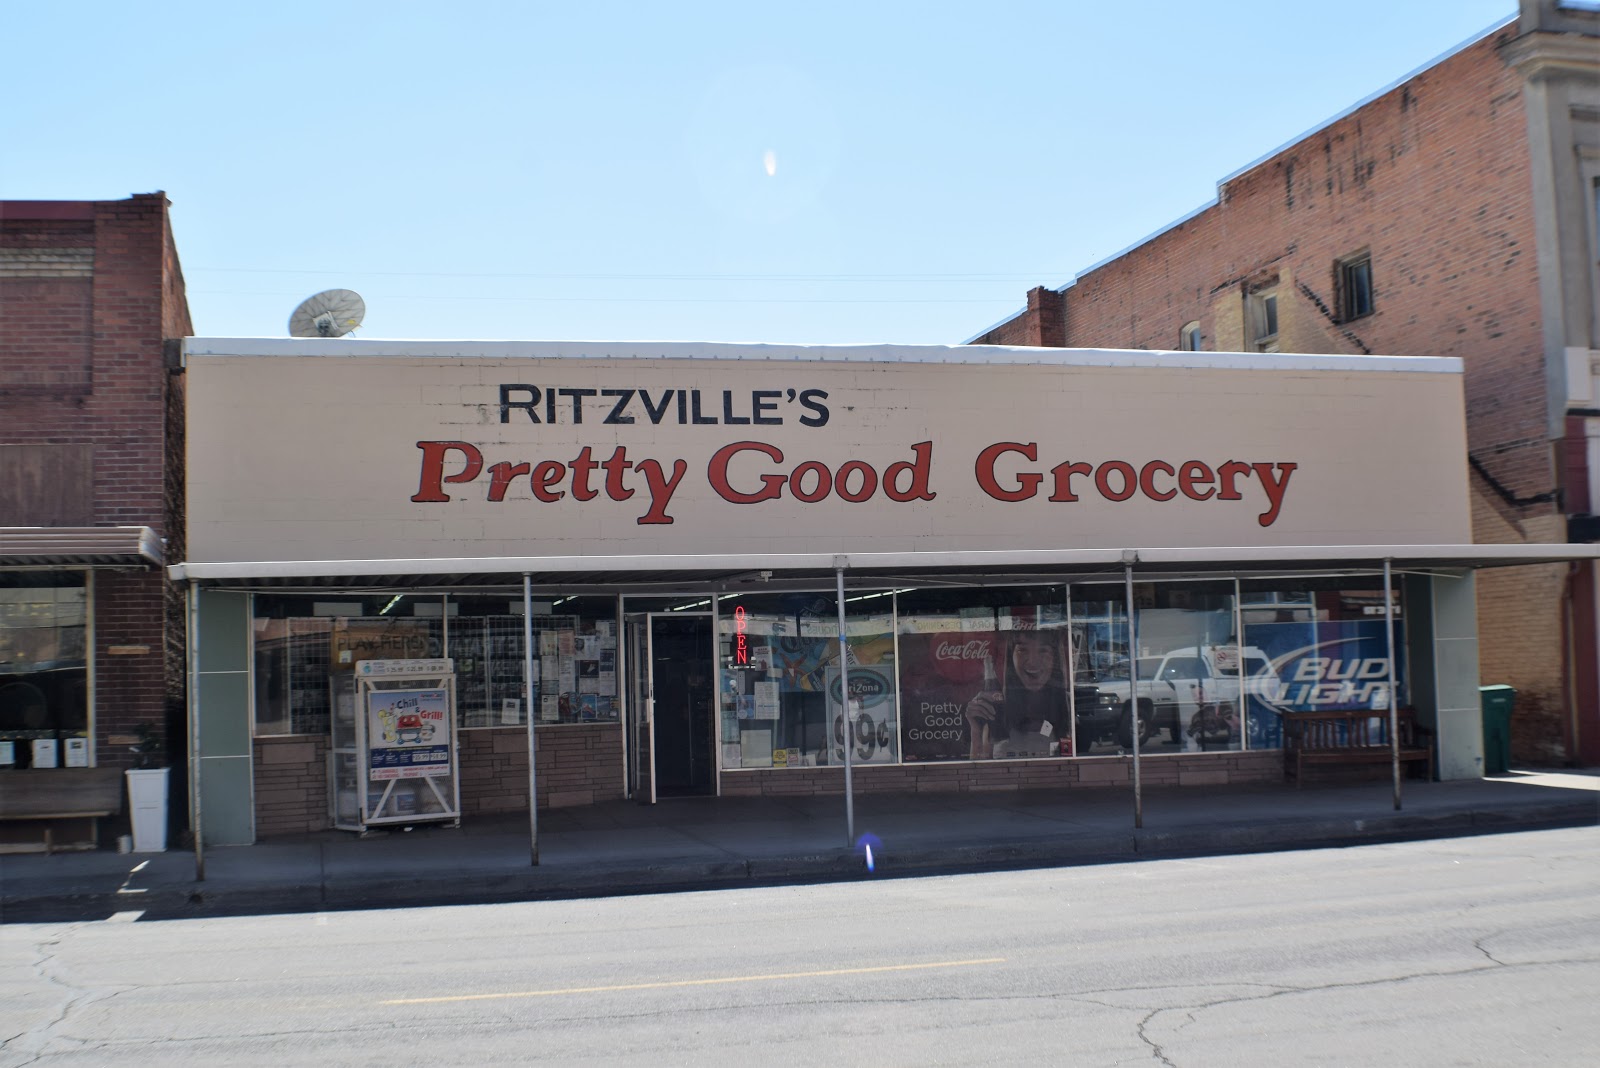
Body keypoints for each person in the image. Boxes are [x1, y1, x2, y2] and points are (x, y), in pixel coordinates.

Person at [965, 629, 1069, 759]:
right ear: (1011, 657)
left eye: (1043, 650)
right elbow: (979, 770)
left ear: (1055, 658)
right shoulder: (997, 706)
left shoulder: (1068, 706)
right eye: (1022, 650)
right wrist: (976, 730)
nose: (1033, 661)